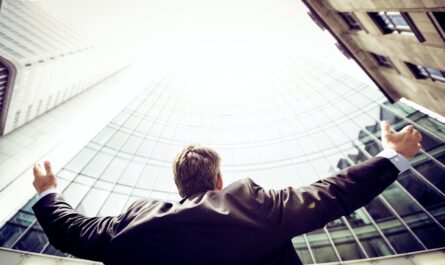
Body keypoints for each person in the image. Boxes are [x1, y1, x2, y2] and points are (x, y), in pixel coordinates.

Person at [32, 121, 422, 265]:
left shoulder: (131, 225)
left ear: (179, 187)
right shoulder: (252, 204)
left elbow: (70, 231)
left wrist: (49, 193)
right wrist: (393, 157)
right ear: (218, 181)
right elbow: (334, 192)